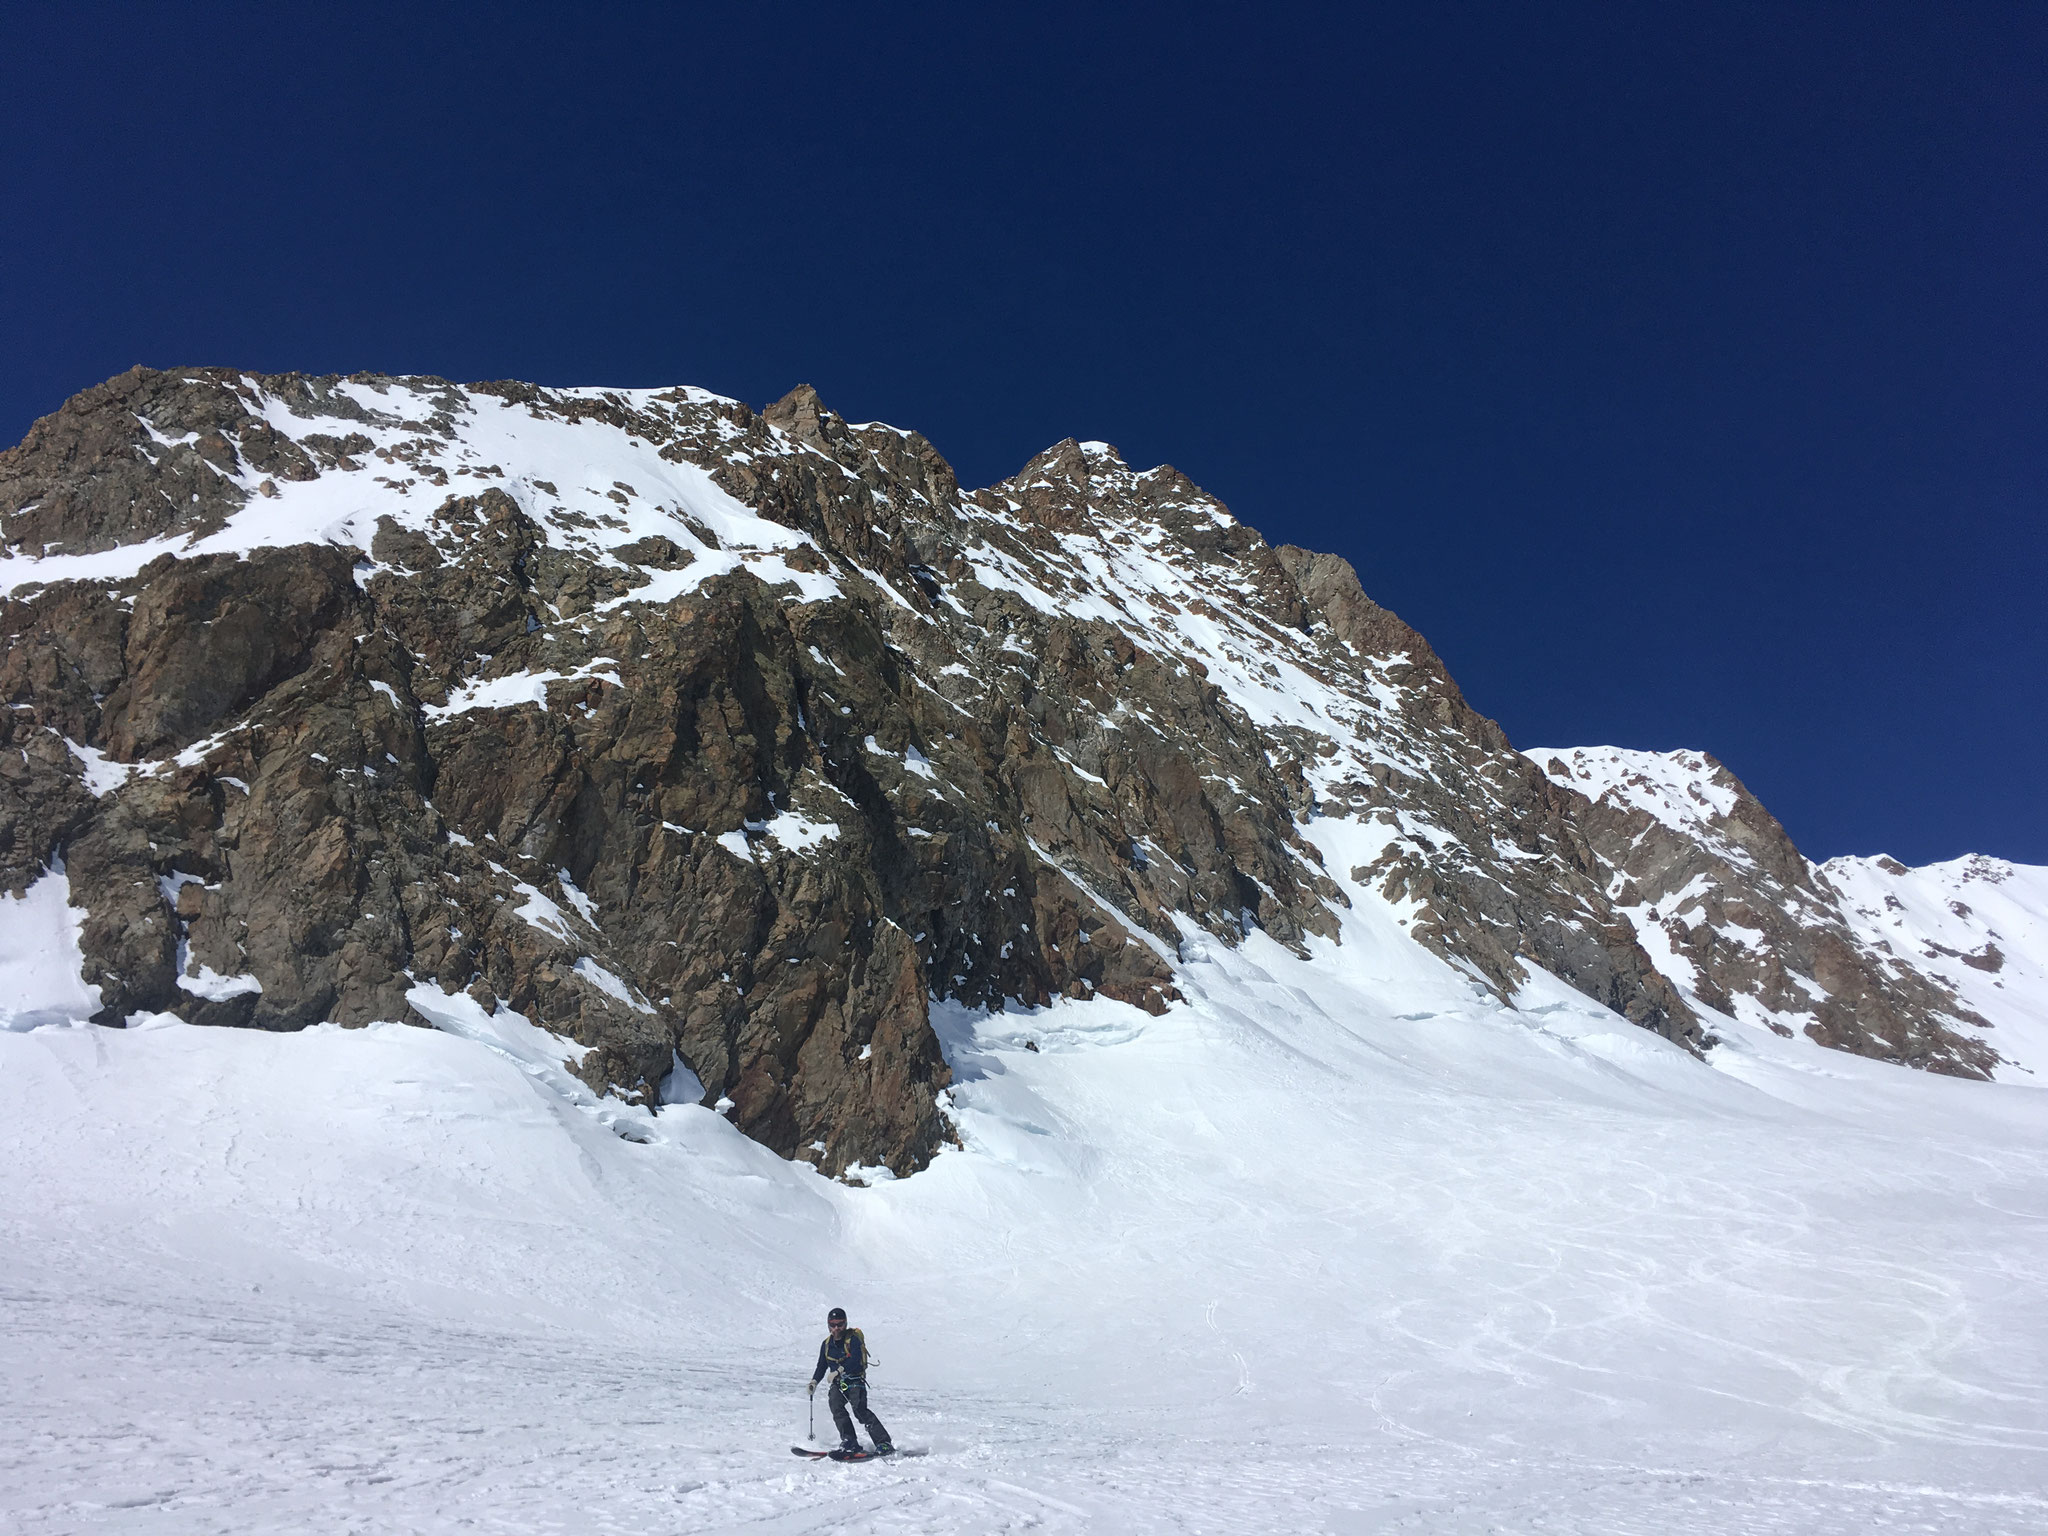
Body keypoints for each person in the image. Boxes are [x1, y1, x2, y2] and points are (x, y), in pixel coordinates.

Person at [808, 1306, 892, 1454]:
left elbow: (856, 1359)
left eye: (840, 1324)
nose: (836, 1328)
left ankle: (883, 1442)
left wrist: (839, 1370)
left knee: (860, 1410)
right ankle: (849, 1440)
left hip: (854, 1380)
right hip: (838, 1384)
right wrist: (814, 1381)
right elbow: (822, 1365)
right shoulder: (826, 1345)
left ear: (845, 1324)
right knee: (836, 1406)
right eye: (833, 1325)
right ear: (828, 1326)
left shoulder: (852, 1340)